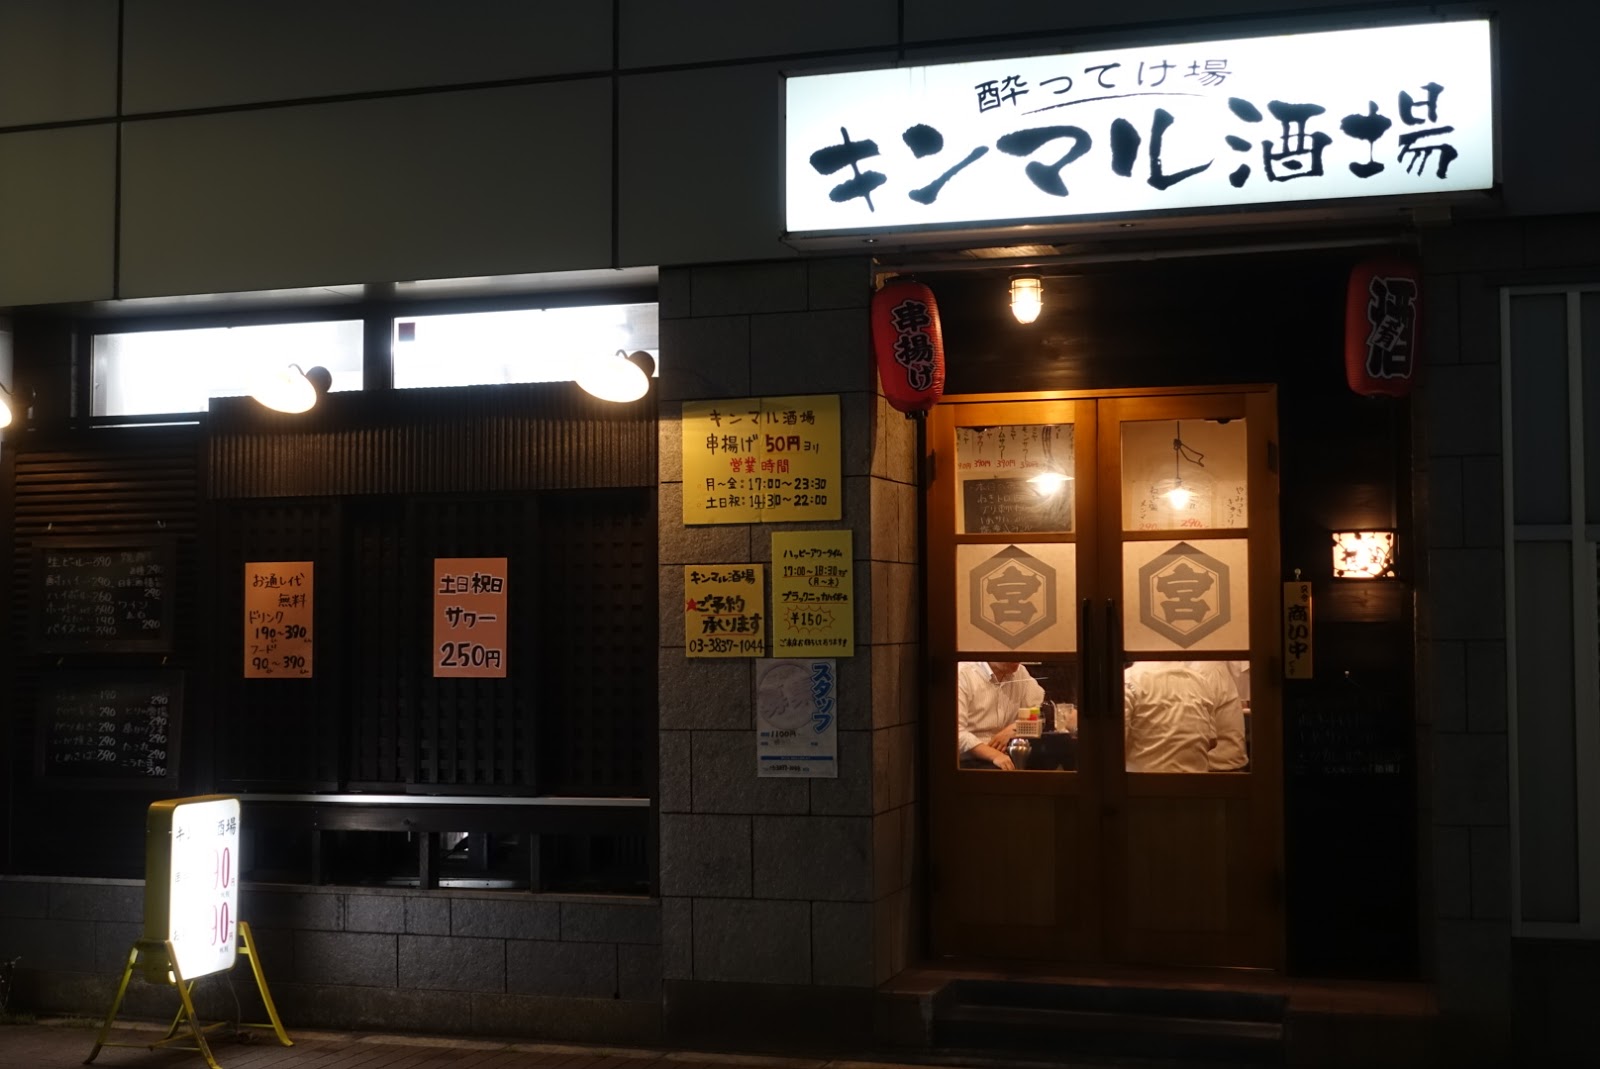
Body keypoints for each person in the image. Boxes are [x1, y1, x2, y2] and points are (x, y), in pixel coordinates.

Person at [1123, 659, 1248, 773]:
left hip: (1220, 773)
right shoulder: (1199, 680)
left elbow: (1115, 746)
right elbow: (1211, 741)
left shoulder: (1130, 680)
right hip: (1199, 782)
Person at [957, 660, 1045, 770]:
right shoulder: (963, 673)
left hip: (1009, 755)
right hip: (966, 762)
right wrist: (995, 755)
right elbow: (956, 733)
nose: (1017, 658)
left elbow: (1040, 711)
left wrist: (1016, 728)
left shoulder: (1020, 672)